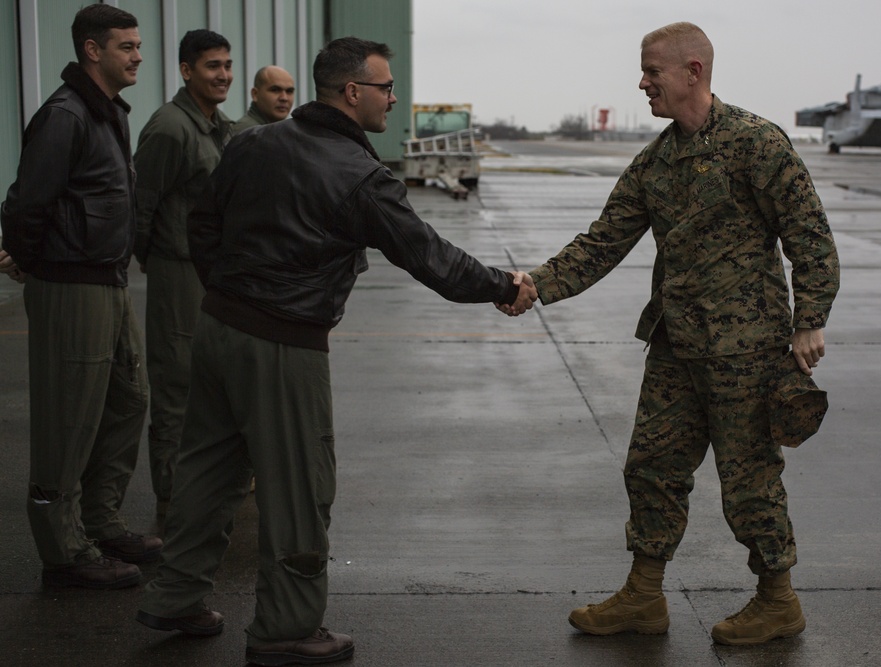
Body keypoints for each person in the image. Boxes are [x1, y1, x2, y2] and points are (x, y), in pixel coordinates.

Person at [136, 37, 536, 665]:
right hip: (283, 343)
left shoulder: (250, 143)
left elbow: (201, 224)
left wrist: (228, 291)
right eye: (386, 87)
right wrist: (502, 285)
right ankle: (286, 627)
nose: (394, 97)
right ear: (353, 92)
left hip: (217, 329)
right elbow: (430, 256)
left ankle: (175, 594)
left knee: (207, 468)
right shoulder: (360, 175)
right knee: (299, 482)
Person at [506, 22, 839, 645]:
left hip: (745, 351)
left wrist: (810, 319)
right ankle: (643, 595)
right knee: (652, 468)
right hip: (676, 346)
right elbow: (603, 241)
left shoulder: (755, 143)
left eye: (651, 71)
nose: (642, 82)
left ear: (693, 71)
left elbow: (810, 235)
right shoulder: (657, 160)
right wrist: (534, 285)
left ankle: (777, 600)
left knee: (749, 481)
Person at [0, 3, 160, 589]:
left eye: (138, 45)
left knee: (128, 398)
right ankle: (64, 551)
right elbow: (24, 206)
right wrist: (39, 267)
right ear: (92, 50)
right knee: (67, 420)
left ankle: (100, 519)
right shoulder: (66, 116)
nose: (139, 55)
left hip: (110, 281)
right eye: (127, 46)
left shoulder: (107, 113)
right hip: (72, 285)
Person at [132, 29, 234, 518]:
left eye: (228, 65)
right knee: (175, 385)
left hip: (210, 273)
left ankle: (201, 485)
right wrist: (153, 259)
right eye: (213, 66)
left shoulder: (218, 126)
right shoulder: (170, 127)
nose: (224, 75)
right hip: (176, 270)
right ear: (186, 70)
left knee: (209, 383)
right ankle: (172, 498)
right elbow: (140, 204)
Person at [232, 65, 295, 133]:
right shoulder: (247, 133)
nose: (284, 98)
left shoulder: (280, 131)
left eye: (289, 91)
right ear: (255, 94)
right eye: (275, 90)